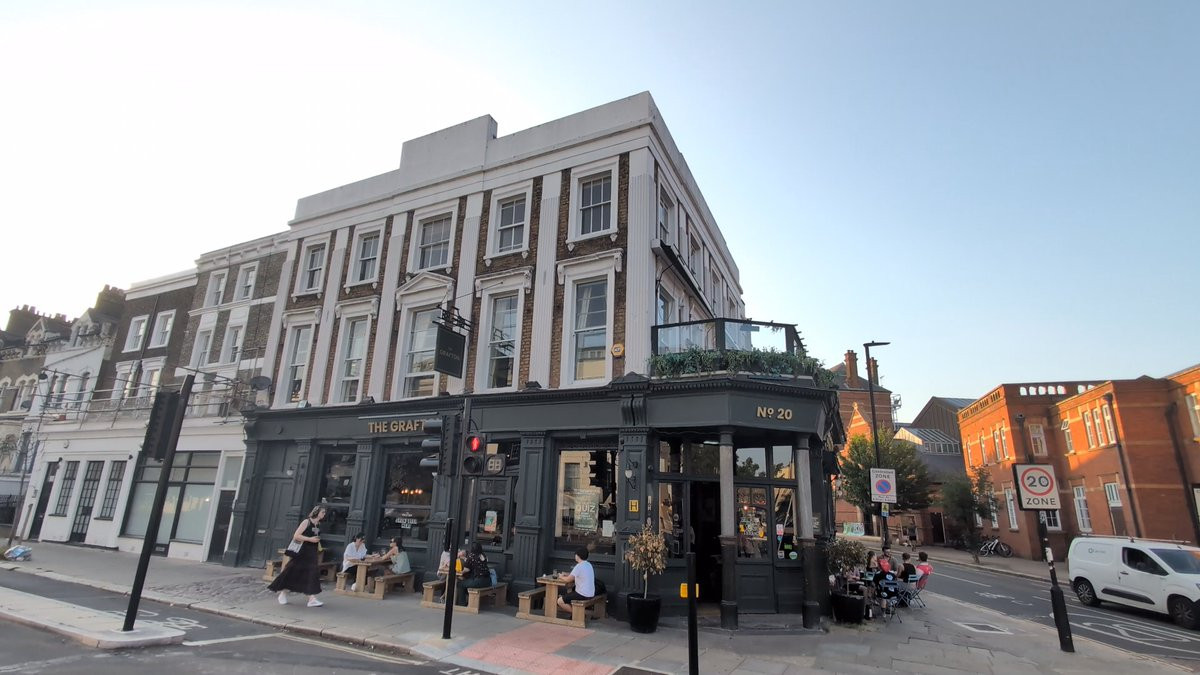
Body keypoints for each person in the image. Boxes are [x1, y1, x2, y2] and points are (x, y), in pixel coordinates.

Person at [268, 505, 326, 607]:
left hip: (312, 551)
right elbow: (296, 535)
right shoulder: (306, 522)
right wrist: (309, 539)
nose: (324, 514)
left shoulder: (318, 524)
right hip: (302, 551)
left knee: (310, 574)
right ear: (317, 512)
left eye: (324, 513)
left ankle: (311, 599)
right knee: (293, 572)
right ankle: (283, 593)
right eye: (322, 512)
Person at [556, 547, 596, 614]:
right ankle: (576, 614)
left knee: (560, 601)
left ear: (578, 556)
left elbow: (568, 580)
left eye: (576, 554)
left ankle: (577, 614)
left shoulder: (579, 566)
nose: (575, 556)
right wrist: (566, 574)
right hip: (590, 594)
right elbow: (577, 574)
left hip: (582, 594)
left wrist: (561, 576)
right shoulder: (588, 564)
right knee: (569, 595)